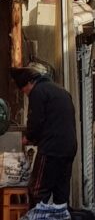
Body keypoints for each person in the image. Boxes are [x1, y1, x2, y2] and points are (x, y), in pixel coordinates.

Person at [10, 67, 77, 207]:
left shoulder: (38, 92)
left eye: (24, 90)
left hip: (51, 149)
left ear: (29, 83)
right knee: (61, 192)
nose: (26, 94)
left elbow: (36, 120)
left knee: (38, 191)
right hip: (69, 148)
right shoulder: (61, 91)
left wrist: (28, 137)